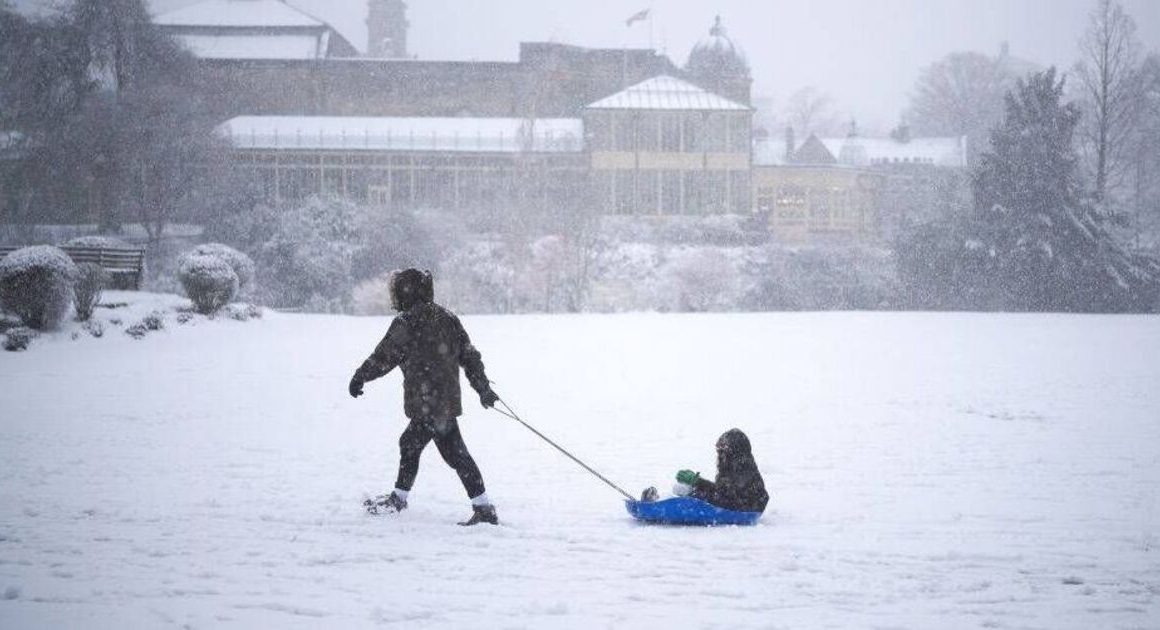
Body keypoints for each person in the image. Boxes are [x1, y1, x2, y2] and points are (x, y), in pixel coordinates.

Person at [349, 268, 501, 526]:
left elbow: (383, 356)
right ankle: (481, 506)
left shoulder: (406, 322)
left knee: (421, 446)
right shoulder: (448, 318)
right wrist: (482, 388)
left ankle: (402, 500)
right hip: (444, 401)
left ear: (406, 291)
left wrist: (360, 376)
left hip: (426, 403)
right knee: (438, 450)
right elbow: (470, 357)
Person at [673, 429, 769, 513]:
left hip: (742, 507)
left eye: (724, 451)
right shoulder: (729, 468)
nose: (721, 455)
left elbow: (727, 497)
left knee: (696, 494)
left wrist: (698, 483)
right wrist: (697, 482)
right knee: (693, 491)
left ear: (735, 452)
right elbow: (722, 491)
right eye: (719, 451)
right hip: (735, 503)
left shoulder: (743, 471)